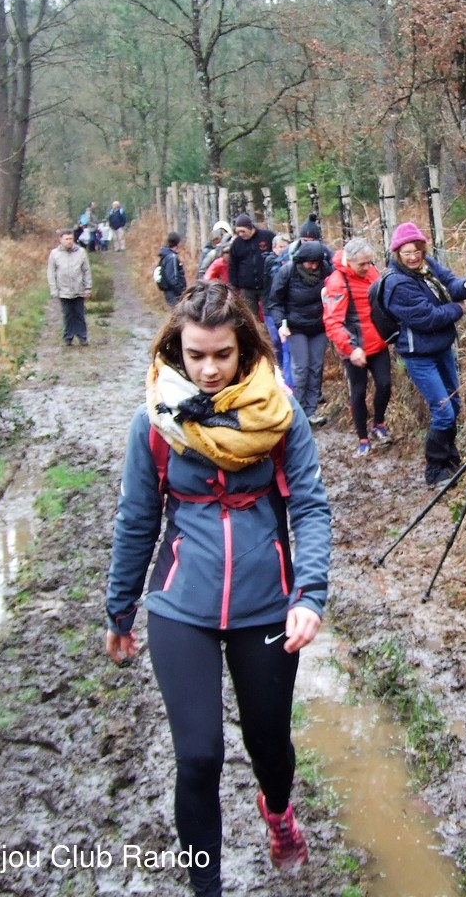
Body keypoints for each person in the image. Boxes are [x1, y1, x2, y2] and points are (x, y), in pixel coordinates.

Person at [105, 282, 329, 895]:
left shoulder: (280, 415)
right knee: (199, 755)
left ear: (245, 348)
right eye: (196, 355)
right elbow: (136, 519)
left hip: (266, 605)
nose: (209, 369)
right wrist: (120, 610)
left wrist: (309, 596)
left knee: (269, 745)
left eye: (222, 355)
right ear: (176, 350)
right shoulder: (155, 422)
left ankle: (277, 811)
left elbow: (310, 508)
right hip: (181, 605)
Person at [381, 221, 466, 485]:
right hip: (419, 355)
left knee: (454, 405)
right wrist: (458, 309)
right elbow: (427, 318)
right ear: (397, 254)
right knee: (443, 411)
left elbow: (450, 283)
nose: (413, 257)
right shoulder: (397, 284)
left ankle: (451, 461)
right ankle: (435, 470)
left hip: (441, 347)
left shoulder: (427, 266)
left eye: (417, 251)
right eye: (407, 253)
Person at [322, 237, 392, 457]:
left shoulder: (371, 272)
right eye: (362, 264)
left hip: (377, 342)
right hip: (353, 348)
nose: (366, 267)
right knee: (359, 391)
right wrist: (351, 349)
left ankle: (378, 423)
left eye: (369, 262)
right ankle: (362, 438)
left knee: (385, 385)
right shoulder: (337, 282)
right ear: (349, 261)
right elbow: (332, 323)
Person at [267, 241, 332, 426]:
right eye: (309, 262)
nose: (312, 266)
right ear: (301, 260)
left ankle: (310, 411)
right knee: (301, 368)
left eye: (316, 262)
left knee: (316, 368)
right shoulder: (287, 272)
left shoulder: (326, 271)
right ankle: (296, 411)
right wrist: (280, 324)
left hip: (319, 327)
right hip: (295, 328)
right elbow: (275, 302)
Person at [226, 213, 276, 321]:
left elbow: (278, 253)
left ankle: (270, 330)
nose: (240, 234)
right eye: (238, 232)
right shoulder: (237, 243)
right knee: (250, 316)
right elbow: (232, 265)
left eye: (243, 231)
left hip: (267, 285)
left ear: (250, 228)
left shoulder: (267, 236)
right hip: (246, 288)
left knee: (270, 313)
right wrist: (233, 285)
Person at [47, 228, 92, 346]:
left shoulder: (81, 252)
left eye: (71, 239)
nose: (69, 241)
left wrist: (88, 288)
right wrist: (54, 290)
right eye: (66, 239)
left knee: (80, 315)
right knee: (67, 315)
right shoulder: (54, 254)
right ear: (60, 240)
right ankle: (68, 337)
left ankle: (82, 337)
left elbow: (86, 271)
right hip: (63, 291)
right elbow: (51, 273)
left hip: (79, 290)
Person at [263, 233, 294, 388]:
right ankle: (280, 367)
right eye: (281, 247)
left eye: (287, 246)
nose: (284, 249)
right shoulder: (271, 262)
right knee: (276, 340)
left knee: (285, 344)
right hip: (270, 308)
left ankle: (288, 380)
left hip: (285, 310)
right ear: (274, 248)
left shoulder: (290, 263)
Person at [157, 232, 187, 307]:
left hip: (170, 292)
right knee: (177, 311)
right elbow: (173, 279)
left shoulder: (166, 255)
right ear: (177, 243)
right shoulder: (172, 257)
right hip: (174, 293)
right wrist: (181, 292)